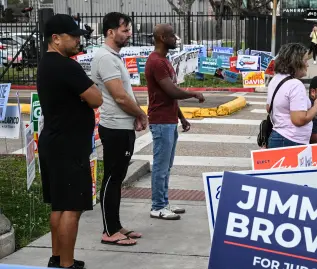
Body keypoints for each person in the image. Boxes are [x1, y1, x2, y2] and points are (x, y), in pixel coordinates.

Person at [37, 14, 103, 268]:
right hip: (69, 146)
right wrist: (88, 94)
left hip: (54, 141)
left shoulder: (46, 64)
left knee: (59, 204)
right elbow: (96, 98)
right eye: (73, 36)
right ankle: (66, 264)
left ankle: (57, 258)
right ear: (56, 39)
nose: (78, 40)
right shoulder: (66, 66)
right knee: (72, 208)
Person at [91, 12, 147, 246]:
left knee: (118, 177)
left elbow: (124, 94)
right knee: (112, 178)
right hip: (114, 127)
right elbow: (120, 97)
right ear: (110, 32)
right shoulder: (105, 58)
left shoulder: (113, 56)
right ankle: (109, 231)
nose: (129, 34)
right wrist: (140, 113)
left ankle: (116, 225)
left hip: (123, 126)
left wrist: (134, 116)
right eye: (125, 30)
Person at [146, 24, 205, 220]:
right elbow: (171, 91)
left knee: (166, 166)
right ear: (162, 37)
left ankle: (164, 202)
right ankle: (158, 206)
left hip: (169, 120)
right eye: (171, 35)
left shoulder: (165, 60)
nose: (175, 38)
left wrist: (181, 117)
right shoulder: (156, 62)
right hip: (161, 121)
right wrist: (194, 94)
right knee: (161, 166)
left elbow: (169, 95)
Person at [266, 43, 317, 149]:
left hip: (279, 136)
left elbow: (268, 107)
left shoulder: (275, 80)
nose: (307, 65)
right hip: (291, 141)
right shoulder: (295, 84)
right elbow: (299, 120)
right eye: (305, 61)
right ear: (296, 62)